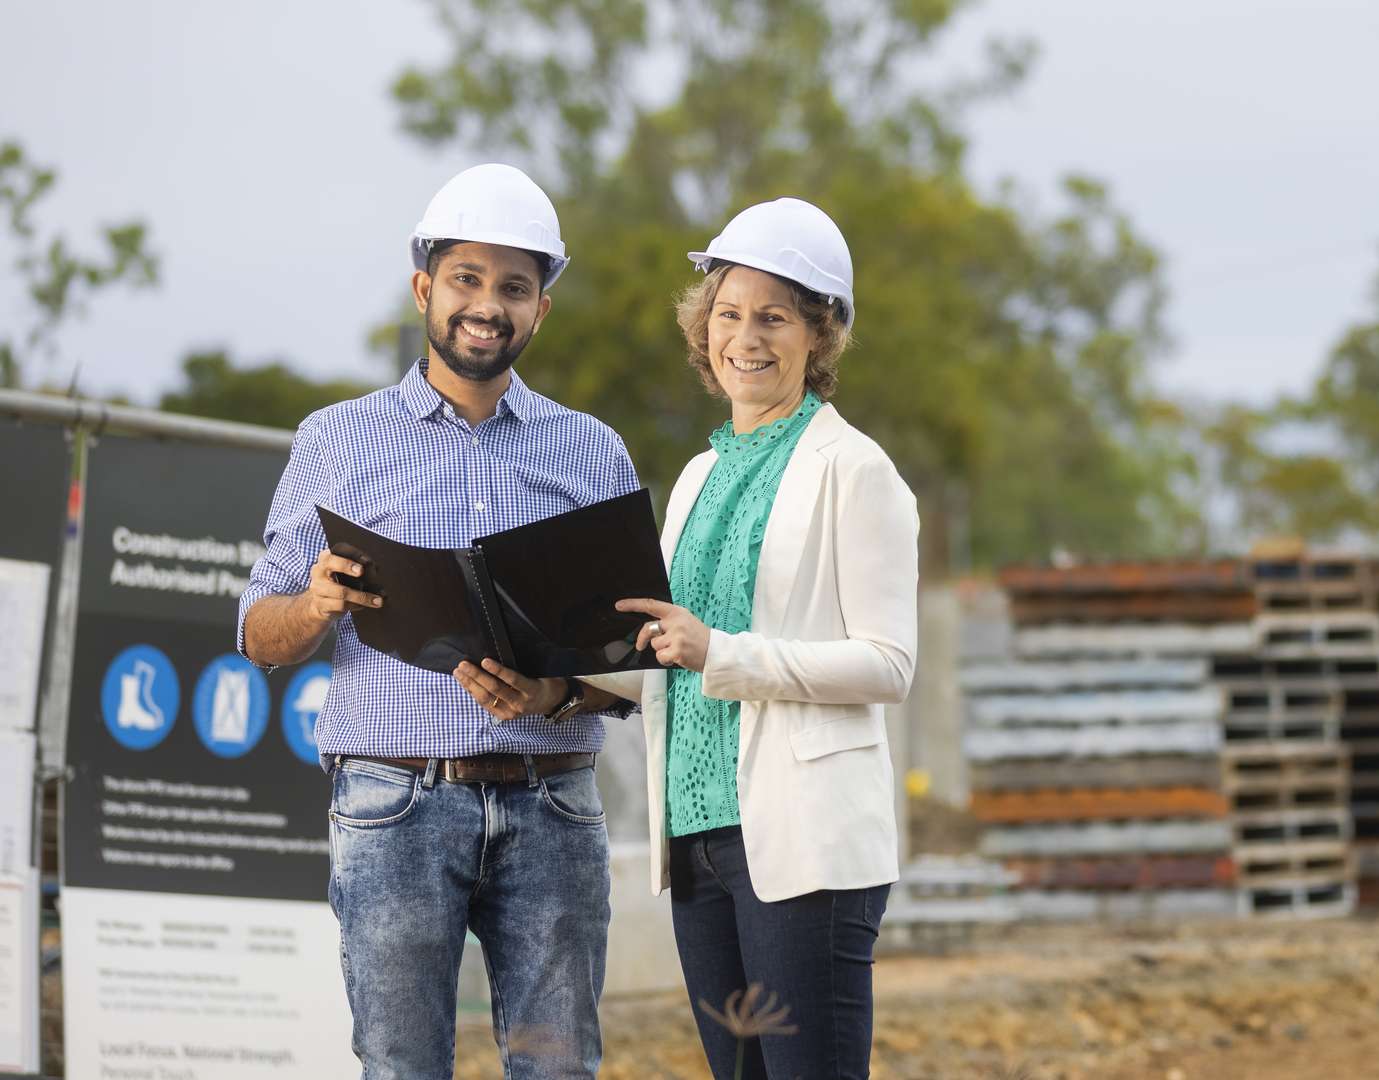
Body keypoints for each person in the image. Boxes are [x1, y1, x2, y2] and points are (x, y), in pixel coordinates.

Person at [236, 163, 637, 1080]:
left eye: (514, 287)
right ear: (424, 288)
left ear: (541, 309)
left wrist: (559, 688)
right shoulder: (336, 439)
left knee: (560, 1068)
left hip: (554, 804)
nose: (486, 305)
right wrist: (316, 602)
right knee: (401, 1066)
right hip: (394, 805)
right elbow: (258, 633)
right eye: (466, 279)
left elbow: (640, 659)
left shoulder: (593, 451)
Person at [590, 197, 918, 1079]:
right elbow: (671, 647)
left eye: (774, 317)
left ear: (820, 335)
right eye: (728, 315)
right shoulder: (697, 475)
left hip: (805, 845)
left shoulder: (856, 469)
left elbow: (889, 664)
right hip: (697, 838)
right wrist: (563, 680)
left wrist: (723, 654)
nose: (746, 337)